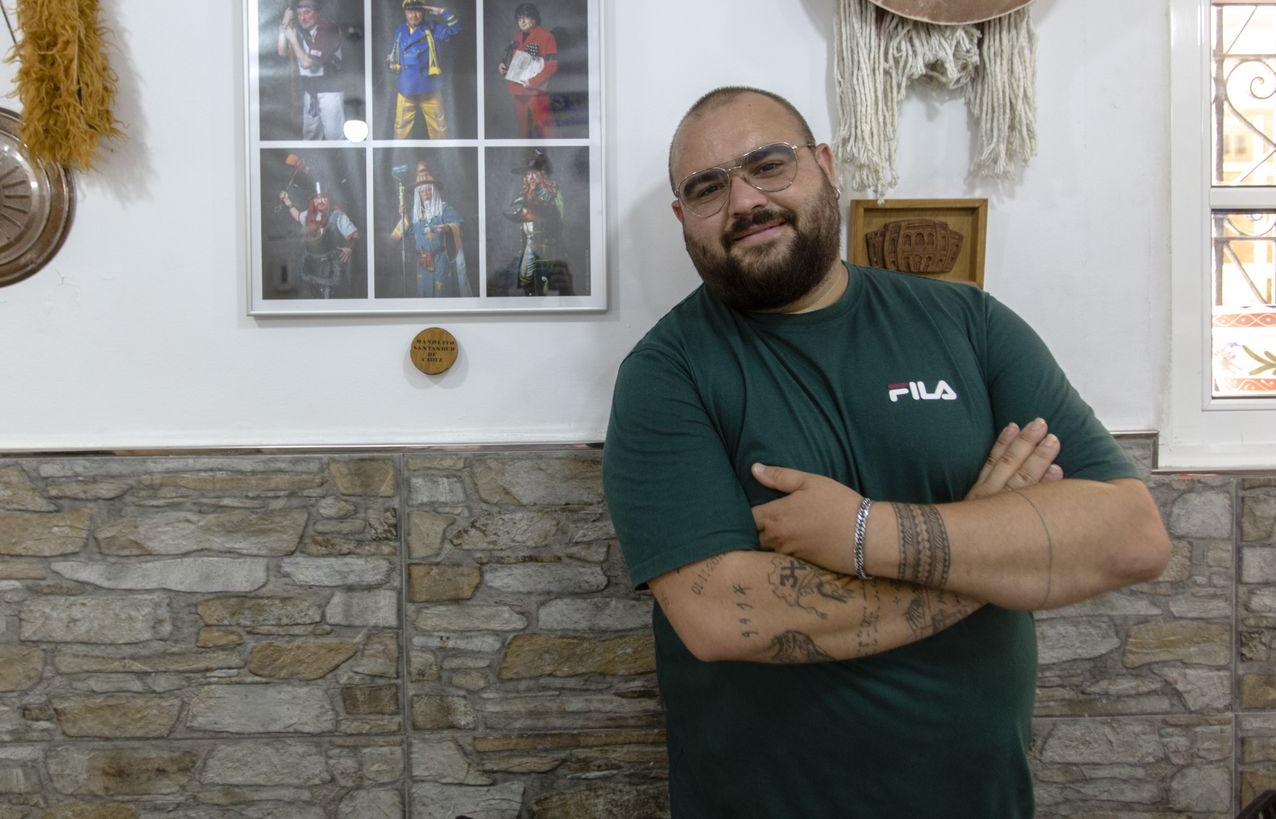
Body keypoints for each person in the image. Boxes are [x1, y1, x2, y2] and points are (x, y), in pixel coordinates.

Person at [601, 86, 1172, 817]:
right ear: (684, 218)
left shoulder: (967, 323)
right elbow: (719, 616)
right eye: (708, 187)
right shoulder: (666, 373)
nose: (744, 200)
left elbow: (1132, 534)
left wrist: (866, 531)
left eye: (769, 164)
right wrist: (992, 550)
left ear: (826, 167)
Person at [390, 160, 468, 298]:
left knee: (441, 294)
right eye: (421, 191)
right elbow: (403, 234)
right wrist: (403, 216)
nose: (425, 193)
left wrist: (448, 227)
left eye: (428, 189)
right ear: (418, 194)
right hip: (422, 261)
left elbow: (461, 226)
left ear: (434, 191)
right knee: (423, 294)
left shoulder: (444, 209)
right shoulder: (415, 214)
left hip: (440, 260)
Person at [387, 0, 460, 141]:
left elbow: (456, 29)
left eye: (418, 11)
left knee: (439, 131)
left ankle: (442, 162)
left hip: (429, 88)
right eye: (410, 11)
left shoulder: (433, 29)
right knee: (400, 130)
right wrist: (390, 61)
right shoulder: (400, 30)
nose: (413, 15)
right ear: (405, 13)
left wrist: (443, 12)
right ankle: (399, 161)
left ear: (424, 12)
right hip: (406, 88)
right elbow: (395, 52)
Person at [276, 178, 359, 300]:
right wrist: (288, 202)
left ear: (328, 199)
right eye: (317, 198)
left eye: (324, 197)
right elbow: (298, 217)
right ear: (313, 201)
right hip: (312, 267)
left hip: (331, 268)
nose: (321, 201)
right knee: (314, 297)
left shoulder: (338, 216)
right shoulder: (308, 215)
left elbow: (355, 234)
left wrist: (350, 248)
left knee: (329, 300)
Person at [498, 150, 567, 296]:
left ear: (542, 174)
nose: (530, 177)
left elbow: (556, 219)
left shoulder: (550, 193)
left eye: (533, 173)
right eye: (527, 174)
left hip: (545, 246)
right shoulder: (529, 193)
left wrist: (532, 208)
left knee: (541, 280)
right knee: (526, 279)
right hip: (529, 244)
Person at [277, 0, 345, 140]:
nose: (303, 17)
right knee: (310, 137)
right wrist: (284, 23)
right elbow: (282, 51)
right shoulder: (301, 28)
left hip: (330, 92)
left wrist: (293, 39)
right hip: (311, 92)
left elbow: (307, 63)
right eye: (299, 13)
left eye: (307, 12)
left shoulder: (328, 28)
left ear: (317, 13)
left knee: (334, 136)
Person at [498, 2, 559, 139]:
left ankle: (546, 157)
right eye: (519, 18)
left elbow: (552, 65)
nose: (522, 21)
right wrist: (503, 65)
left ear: (534, 18)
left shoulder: (547, 37)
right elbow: (515, 60)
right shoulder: (517, 37)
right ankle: (526, 156)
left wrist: (533, 82)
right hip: (517, 90)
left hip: (535, 90)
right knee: (523, 130)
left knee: (545, 128)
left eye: (526, 17)